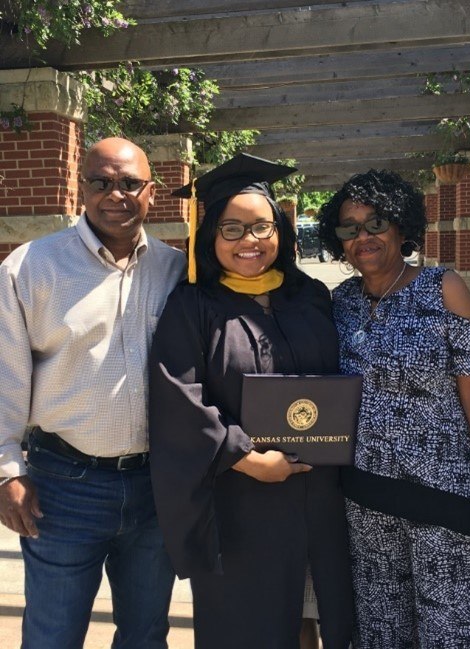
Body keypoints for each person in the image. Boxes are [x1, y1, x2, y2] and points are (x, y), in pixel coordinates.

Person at [149, 153, 354, 649]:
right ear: (210, 236)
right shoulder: (192, 306)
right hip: (242, 501)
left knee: (321, 616)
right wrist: (242, 457)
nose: (249, 242)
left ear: (280, 232)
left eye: (261, 227)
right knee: (248, 626)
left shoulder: (309, 295)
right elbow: (177, 395)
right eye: (232, 228)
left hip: (323, 495)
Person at [0, 137, 186, 648]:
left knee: (146, 634)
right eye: (101, 182)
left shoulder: (174, 270)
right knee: (52, 636)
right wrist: (6, 471)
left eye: (129, 184)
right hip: (63, 485)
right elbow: (5, 375)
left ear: (152, 191)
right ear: (81, 187)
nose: (115, 195)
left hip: (155, 487)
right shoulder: (30, 267)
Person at [318, 169, 470, 648]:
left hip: (446, 496)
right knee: (381, 632)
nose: (362, 237)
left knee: (454, 631)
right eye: (349, 229)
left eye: (375, 223)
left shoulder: (444, 288)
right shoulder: (340, 302)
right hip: (367, 501)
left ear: (401, 227)